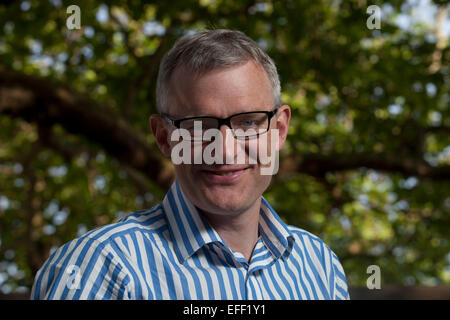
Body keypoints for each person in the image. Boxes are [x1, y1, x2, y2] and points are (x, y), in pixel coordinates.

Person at [31, 29, 349, 300]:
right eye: (199, 126)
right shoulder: (100, 266)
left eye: (248, 123)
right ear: (164, 137)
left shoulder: (319, 265)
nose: (224, 151)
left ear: (278, 130)